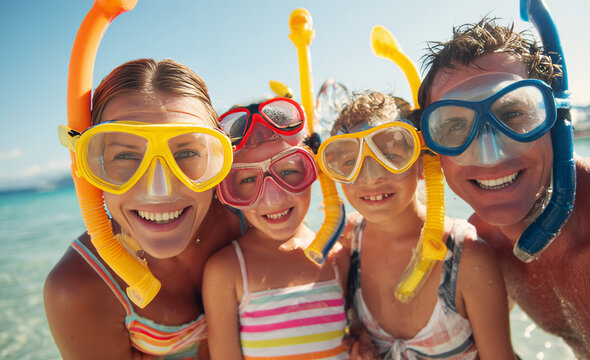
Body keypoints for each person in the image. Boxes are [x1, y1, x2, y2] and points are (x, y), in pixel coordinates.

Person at [417, 17, 590, 360]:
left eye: (512, 114)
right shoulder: (485, 245)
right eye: (454, 126)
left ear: (556, 117)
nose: (490, 155)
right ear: (435, 153)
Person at [44, 58, 243, 359]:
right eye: (125, 156)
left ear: (220, 158)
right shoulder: (80, 286)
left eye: (187, 152)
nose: (159, 191)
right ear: (89, 166)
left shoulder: (250, 222)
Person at [319, 91, 516, 359]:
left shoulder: (467, 257)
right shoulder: (346, 242)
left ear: (424, 162)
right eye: (349, 162)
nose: (371, 176)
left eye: (390, 155)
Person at [202, 97, 351, 359]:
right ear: (227, 191)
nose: (273, 198)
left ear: (314, 168)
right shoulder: (227, 271)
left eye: (290, 171)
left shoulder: (338, 256)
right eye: (248, 179)